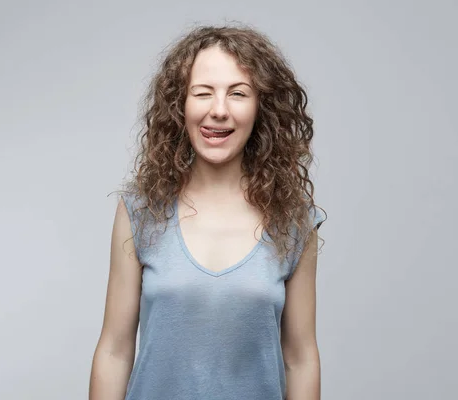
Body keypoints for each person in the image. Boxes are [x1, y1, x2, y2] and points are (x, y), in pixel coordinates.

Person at [89, 24, 327, 400]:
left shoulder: (294, 222)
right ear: (180, 106)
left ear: (260, 107)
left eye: (238, 94)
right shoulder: (140, 212)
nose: (218, 110)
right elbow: (115, 351)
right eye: (203, 93)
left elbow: (300, 358)